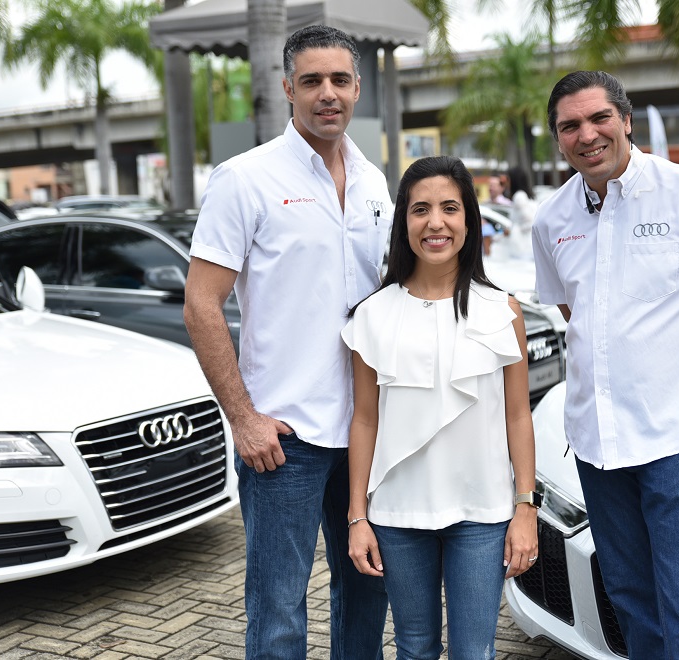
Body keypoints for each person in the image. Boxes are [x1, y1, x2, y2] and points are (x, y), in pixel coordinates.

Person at [531, 71, 679, 660]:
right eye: (570, 126)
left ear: (626, 120)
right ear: (558, 139)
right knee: (633, 600)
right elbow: (577, 311)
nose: (586, 135)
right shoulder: (551, 221)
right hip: (597, 443)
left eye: (598, 119)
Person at [183, 25, 391, 660]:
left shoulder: (377, 183)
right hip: (284, 440)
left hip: (367, 431)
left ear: (357, 88)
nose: (327, 94)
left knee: (366, 596)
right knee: (277, 613)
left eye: (339, 80)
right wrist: (244, 419)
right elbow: (200, 304)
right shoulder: (244, 178)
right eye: (311, 81)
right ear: (287, 89)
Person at [343, 155, 538, 659]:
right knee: (414, 648)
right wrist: (357, 517)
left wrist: (525, 507)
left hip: (484, 512)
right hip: (398, 512)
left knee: (475, 653)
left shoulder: (503, 310)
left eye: (450, 208)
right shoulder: (372, 314)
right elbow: (365, 419)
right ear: (402, 222)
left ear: (469, 220)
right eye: (420, 209)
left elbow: (518, 415)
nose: (435, 222)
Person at [506, 166, 538, 259]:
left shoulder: (519, 197)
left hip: (522, 246)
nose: (506, 182)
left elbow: (529, 221)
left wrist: (513, 229)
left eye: (508, 179)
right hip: (527, 244)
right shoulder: (526, 195)